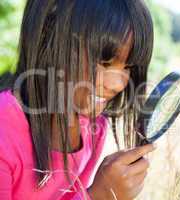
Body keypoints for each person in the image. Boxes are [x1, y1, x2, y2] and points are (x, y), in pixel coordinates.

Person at [0, 0, 156, 199]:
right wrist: (98, 196)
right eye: (104, 62)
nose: (117, 84)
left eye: (128, 67)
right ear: (50, 38)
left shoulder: (94, 128)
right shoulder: (4, 129)